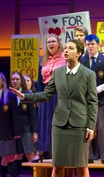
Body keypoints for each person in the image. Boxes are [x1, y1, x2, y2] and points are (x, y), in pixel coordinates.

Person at [10, 39, 98, 177]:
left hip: (80, 124)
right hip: (60, 124)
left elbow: (92, 102)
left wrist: (91, 126)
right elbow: (45, 94)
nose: (66, 51)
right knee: (58, 165)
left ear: (79, 53)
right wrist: (25, 96)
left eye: (70, 48)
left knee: (81, 166)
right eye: (65, 48)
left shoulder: (88, 74)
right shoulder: (57, 73)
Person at [0, 72, 38, 177]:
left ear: (21, 80)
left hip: (26, 129)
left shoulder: (27, 95)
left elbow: (33, 116)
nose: (14, 81)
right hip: (12, 131)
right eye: (12, 79)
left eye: (17, 79)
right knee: (12, 156)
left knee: (30, 155)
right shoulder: (6, 95)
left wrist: (35, 132)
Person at [80, 34, 104, 164]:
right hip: (84, 100)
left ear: (98, 45)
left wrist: (98, 89)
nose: (90, 46)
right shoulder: (81, 60)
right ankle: (88, 156)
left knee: (102, 128)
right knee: (86, 127)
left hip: (101, 99)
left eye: (93, 44)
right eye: (88, 44)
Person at [33, 34, 66, 162]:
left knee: (60, 122)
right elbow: (40, 82)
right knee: (44, 122)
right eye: (48, 42)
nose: (51, 44)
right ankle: (40, 151)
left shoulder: (65, 58)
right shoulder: (42, 59)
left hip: (60, 93)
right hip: (47, 93)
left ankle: (61, 151)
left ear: (58, 43)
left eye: (53, 41)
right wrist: (38, 97)